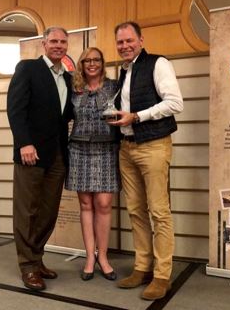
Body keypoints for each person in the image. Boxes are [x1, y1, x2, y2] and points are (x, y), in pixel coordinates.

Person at [110, 21, 183, 300]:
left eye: (129, 40)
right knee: (136, 210)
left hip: (153, 146)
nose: (125, 46)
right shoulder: (124, 71)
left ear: (141, 40)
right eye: (120, 42)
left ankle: (162, 275)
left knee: (159, 212)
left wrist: (137, 116)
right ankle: (142, 267)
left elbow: (175, 102)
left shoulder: (158, 63)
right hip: (126, 148)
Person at [7, 26, 73, 291]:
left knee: (48, 210)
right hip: (31, 153)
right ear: (44, 44)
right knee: (27, 211)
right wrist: (24, 142)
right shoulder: (28, 68)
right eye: (53, 41)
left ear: (67, 46)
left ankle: (38, 257)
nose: (58, 45)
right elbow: (15, 108)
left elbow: (64, 116)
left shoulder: (68, 78)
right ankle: (27, 266)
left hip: (57, 153)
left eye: (63, 41)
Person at [65, 47, 120, 281]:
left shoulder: (114, 86)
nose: (92, 64)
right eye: (87, 60)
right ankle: (89, 257)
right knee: (86, 204)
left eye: (96, 59)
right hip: (79, 149)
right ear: (81, 64)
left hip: (106, 148)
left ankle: (103, 257)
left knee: (104, 203)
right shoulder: (73, 88)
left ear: (102, 62)